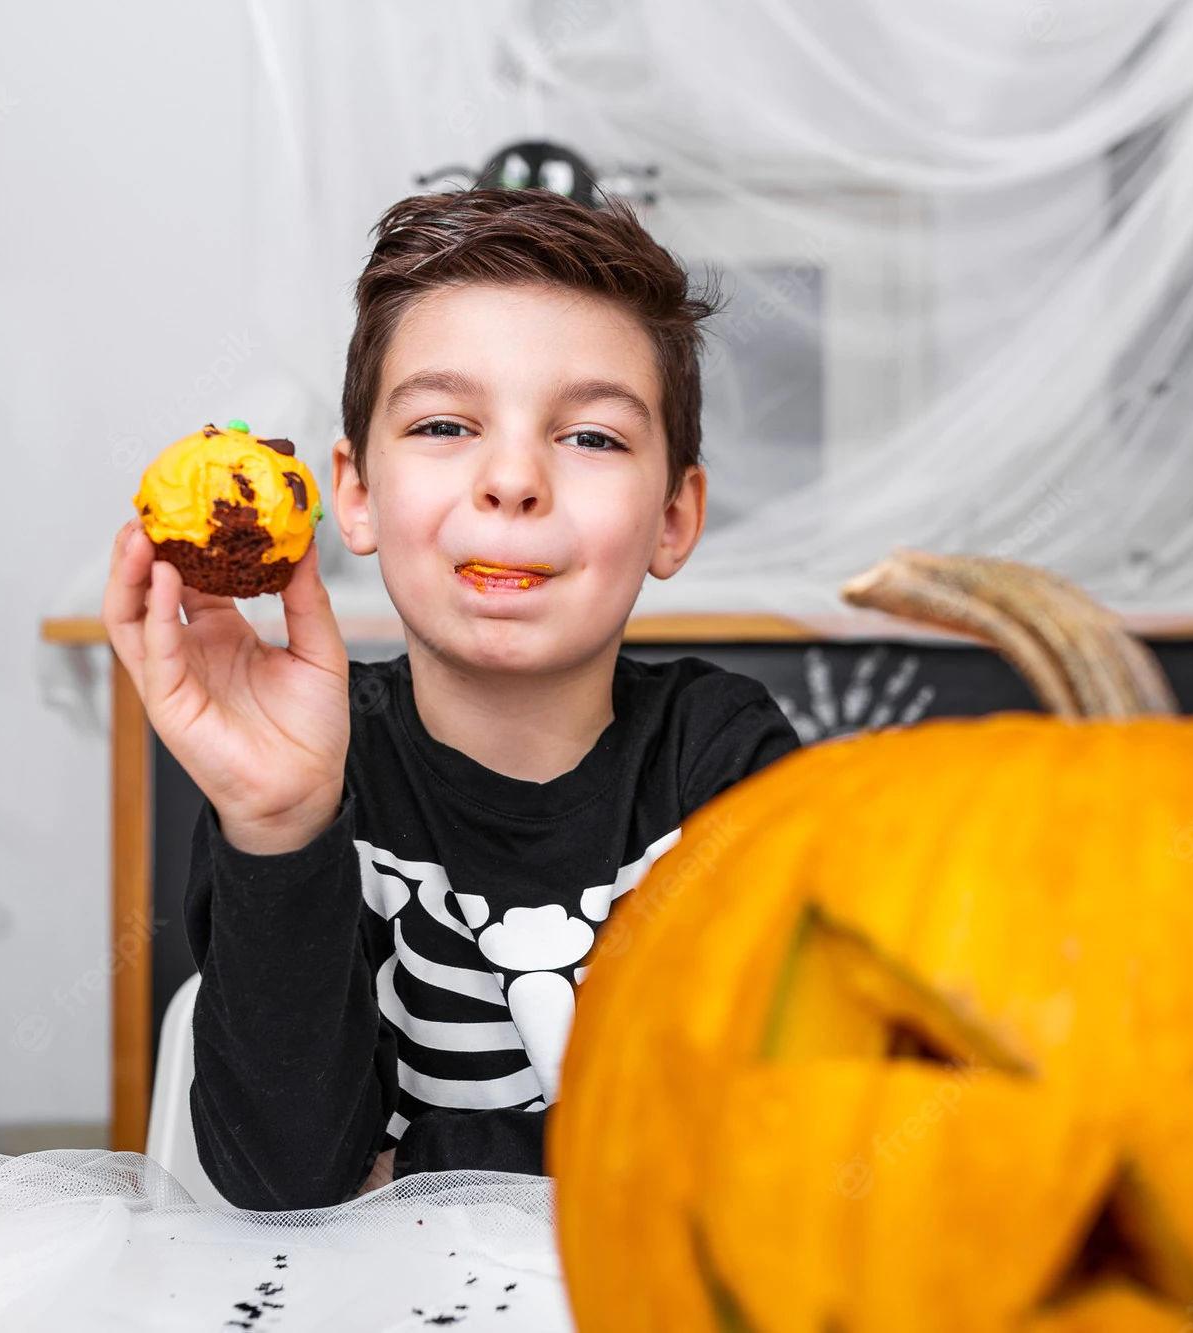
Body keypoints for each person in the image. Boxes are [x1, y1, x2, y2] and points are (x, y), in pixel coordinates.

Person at [101, 188, 802, 1209]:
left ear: (673, 516)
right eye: (442, 424)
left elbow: (770, 1136)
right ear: (351, 493)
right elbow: (283, 1181)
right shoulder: (301, 774)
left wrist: (421, 1162)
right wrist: (280, 822)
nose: (512, 479)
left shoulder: (729, 763)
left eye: (592, 438)